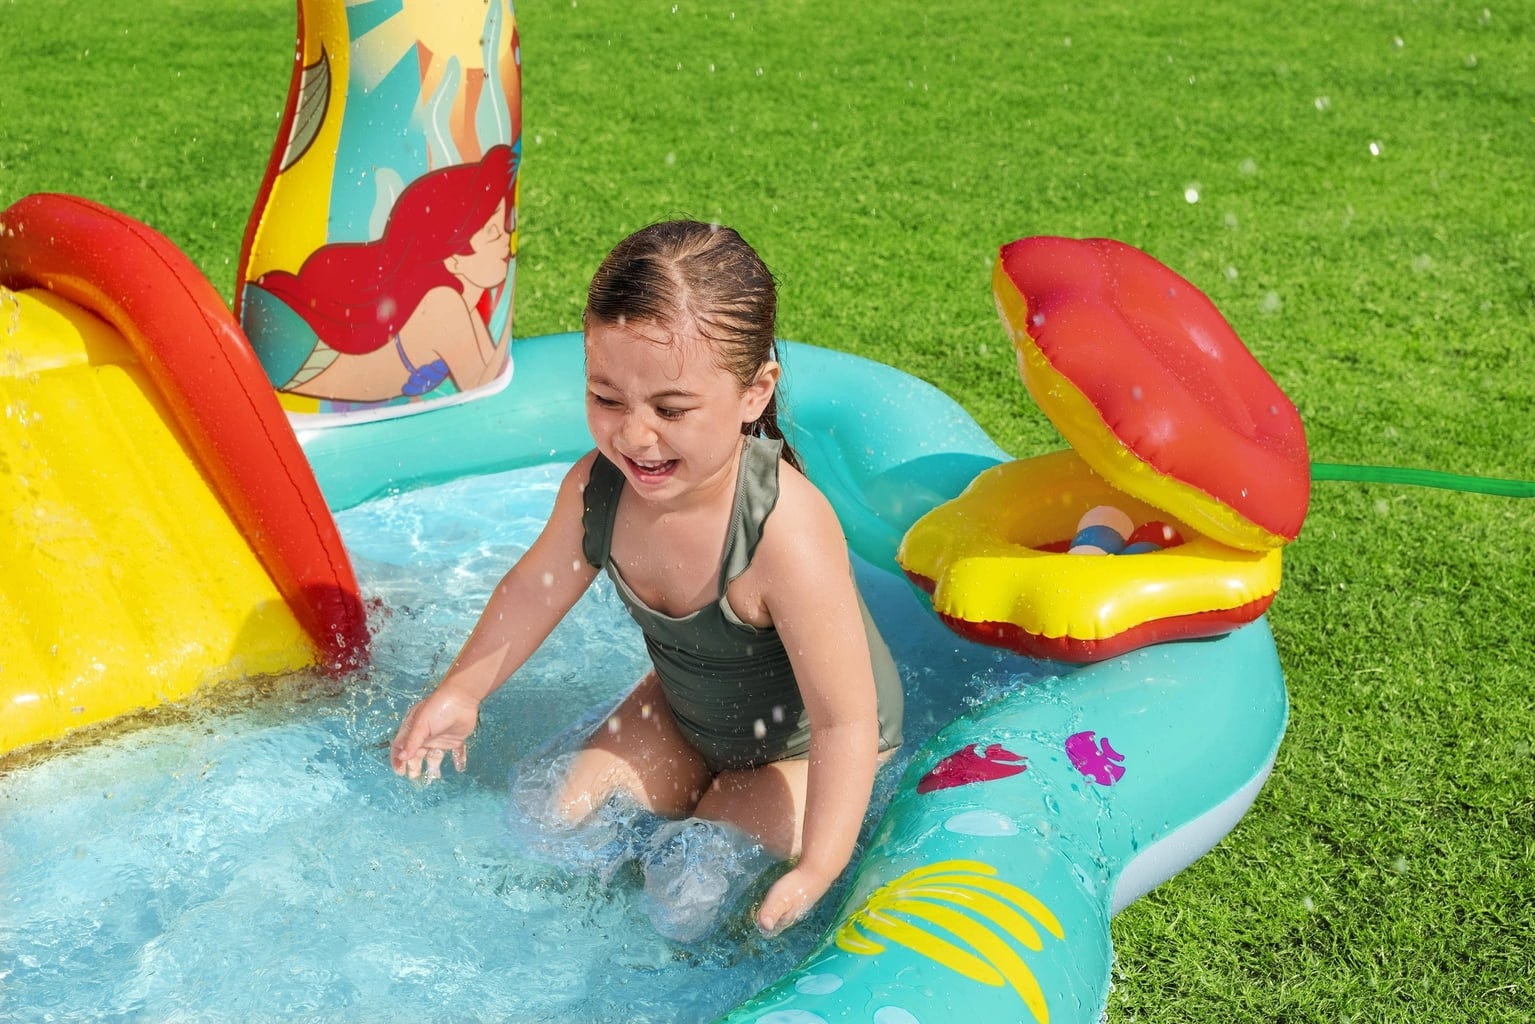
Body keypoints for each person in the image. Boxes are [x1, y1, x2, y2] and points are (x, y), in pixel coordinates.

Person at [390, 220, 903, 938]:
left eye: (671, 409)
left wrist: (821, 865)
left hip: (807, 753)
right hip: (688, 714)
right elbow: (534, 588)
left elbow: (842, 721)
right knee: (552, 826)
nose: (633, 435)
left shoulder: (783, 531)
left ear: (754, 393)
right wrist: (462, 690)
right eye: (607, 398)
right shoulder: (599, 489)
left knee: (685, 886)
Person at [254, 144, 517, 405]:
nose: (507, 238)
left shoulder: (457, 302)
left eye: (504, 225)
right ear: (453, 256)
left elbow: (487, 367)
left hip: (290, 347)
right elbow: (480, 381)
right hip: (294, 352)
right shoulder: (443, 303)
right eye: (492, 232)